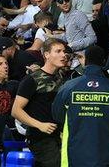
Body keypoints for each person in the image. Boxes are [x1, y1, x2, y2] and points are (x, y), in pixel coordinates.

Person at [52, 45, 109, 167]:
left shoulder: (69, 87)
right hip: (107, 155)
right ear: (104, 62)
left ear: (85, 61)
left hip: (75, 154)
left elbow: (57, 115)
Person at [12, 38, 67, 167]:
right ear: (46, 55)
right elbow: (16, 110)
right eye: (58, 51)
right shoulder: (32, 79)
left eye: (64, 51)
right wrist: (39, 125)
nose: (63, 55)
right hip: (40, 138)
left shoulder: (61, 78)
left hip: (59, 137)